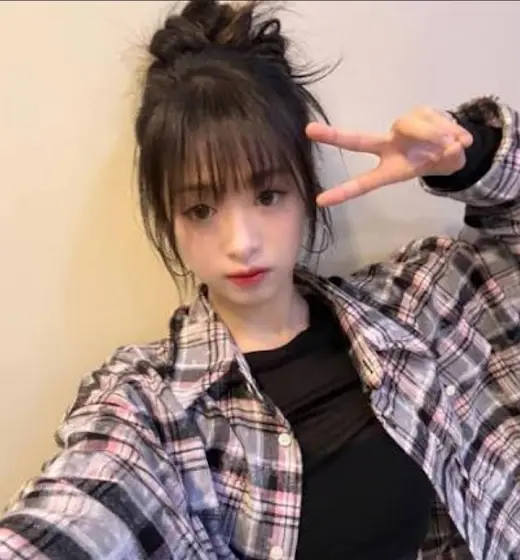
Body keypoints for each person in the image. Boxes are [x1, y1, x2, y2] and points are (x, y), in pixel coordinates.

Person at [0, 0, 518, 558]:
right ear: (168, 220)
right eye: (201, 209)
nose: (241, 242)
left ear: (306, 191)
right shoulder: (150, 404)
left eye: (268, 195)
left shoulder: (415, 301)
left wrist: (471, 157)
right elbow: (77, 511)